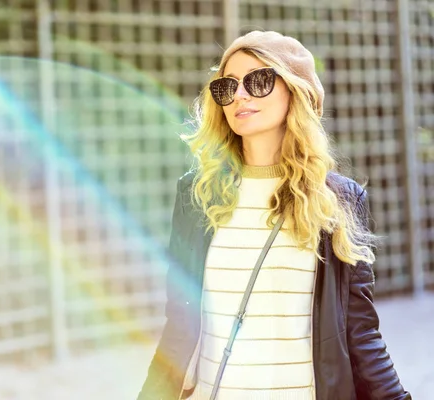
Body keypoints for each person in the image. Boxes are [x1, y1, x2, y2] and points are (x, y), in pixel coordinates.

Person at [136, 31, 411, 400]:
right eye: (227, 86)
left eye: (258, 80)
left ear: (295, 91)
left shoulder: (339, 200)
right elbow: (179, 326)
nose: (239, 95)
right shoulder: (197, 195)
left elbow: (360, 334)